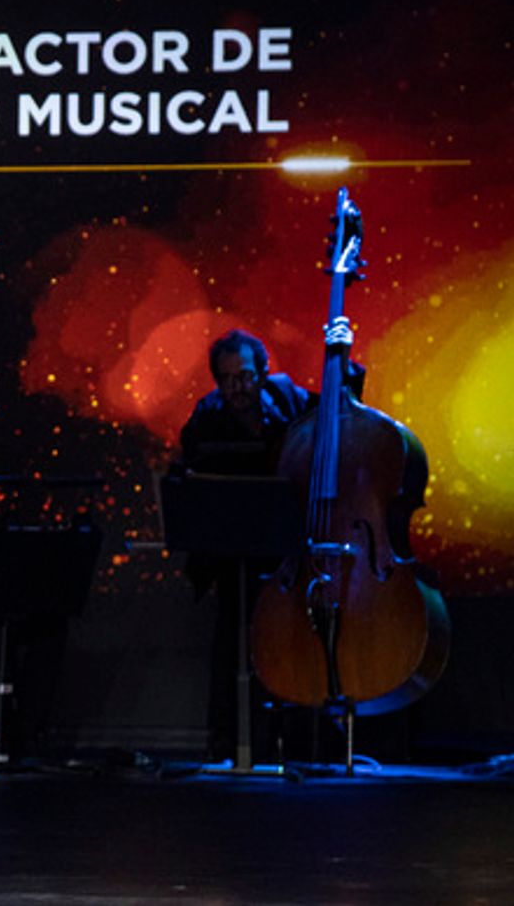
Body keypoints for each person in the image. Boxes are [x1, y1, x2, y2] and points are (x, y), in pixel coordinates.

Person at [178, 325, 363, 761]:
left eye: (244, 377)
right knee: (236, 641)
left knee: (298, 638)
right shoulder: (207, 417)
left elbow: (344, 418)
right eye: (226, 380)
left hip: (288, 549)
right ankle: (234, 742)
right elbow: (192, 478)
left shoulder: (290, 400)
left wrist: (342, 360)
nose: (236, 389)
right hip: (235, 553)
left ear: (262, 373)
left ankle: (304, 743)